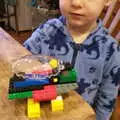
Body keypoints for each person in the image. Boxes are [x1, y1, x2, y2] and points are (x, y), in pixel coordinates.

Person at [23, 0, 120, 119]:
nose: (76, 3)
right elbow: (22, 60)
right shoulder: (46, 31)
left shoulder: (111, 50)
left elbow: (106, 101)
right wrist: (31, 69)